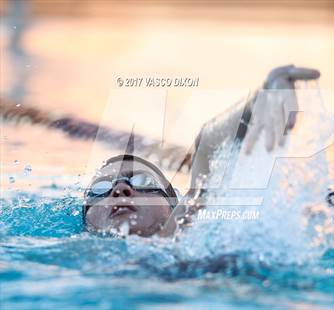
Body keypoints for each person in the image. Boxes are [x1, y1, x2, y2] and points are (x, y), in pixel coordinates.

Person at [83, 65, 321, 237]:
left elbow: (208, 144)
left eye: (142, 181)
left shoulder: (179, 239)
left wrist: (265, 96)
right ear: (86, 220)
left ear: (175, 206)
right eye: (101, 188)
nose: (120, 189)